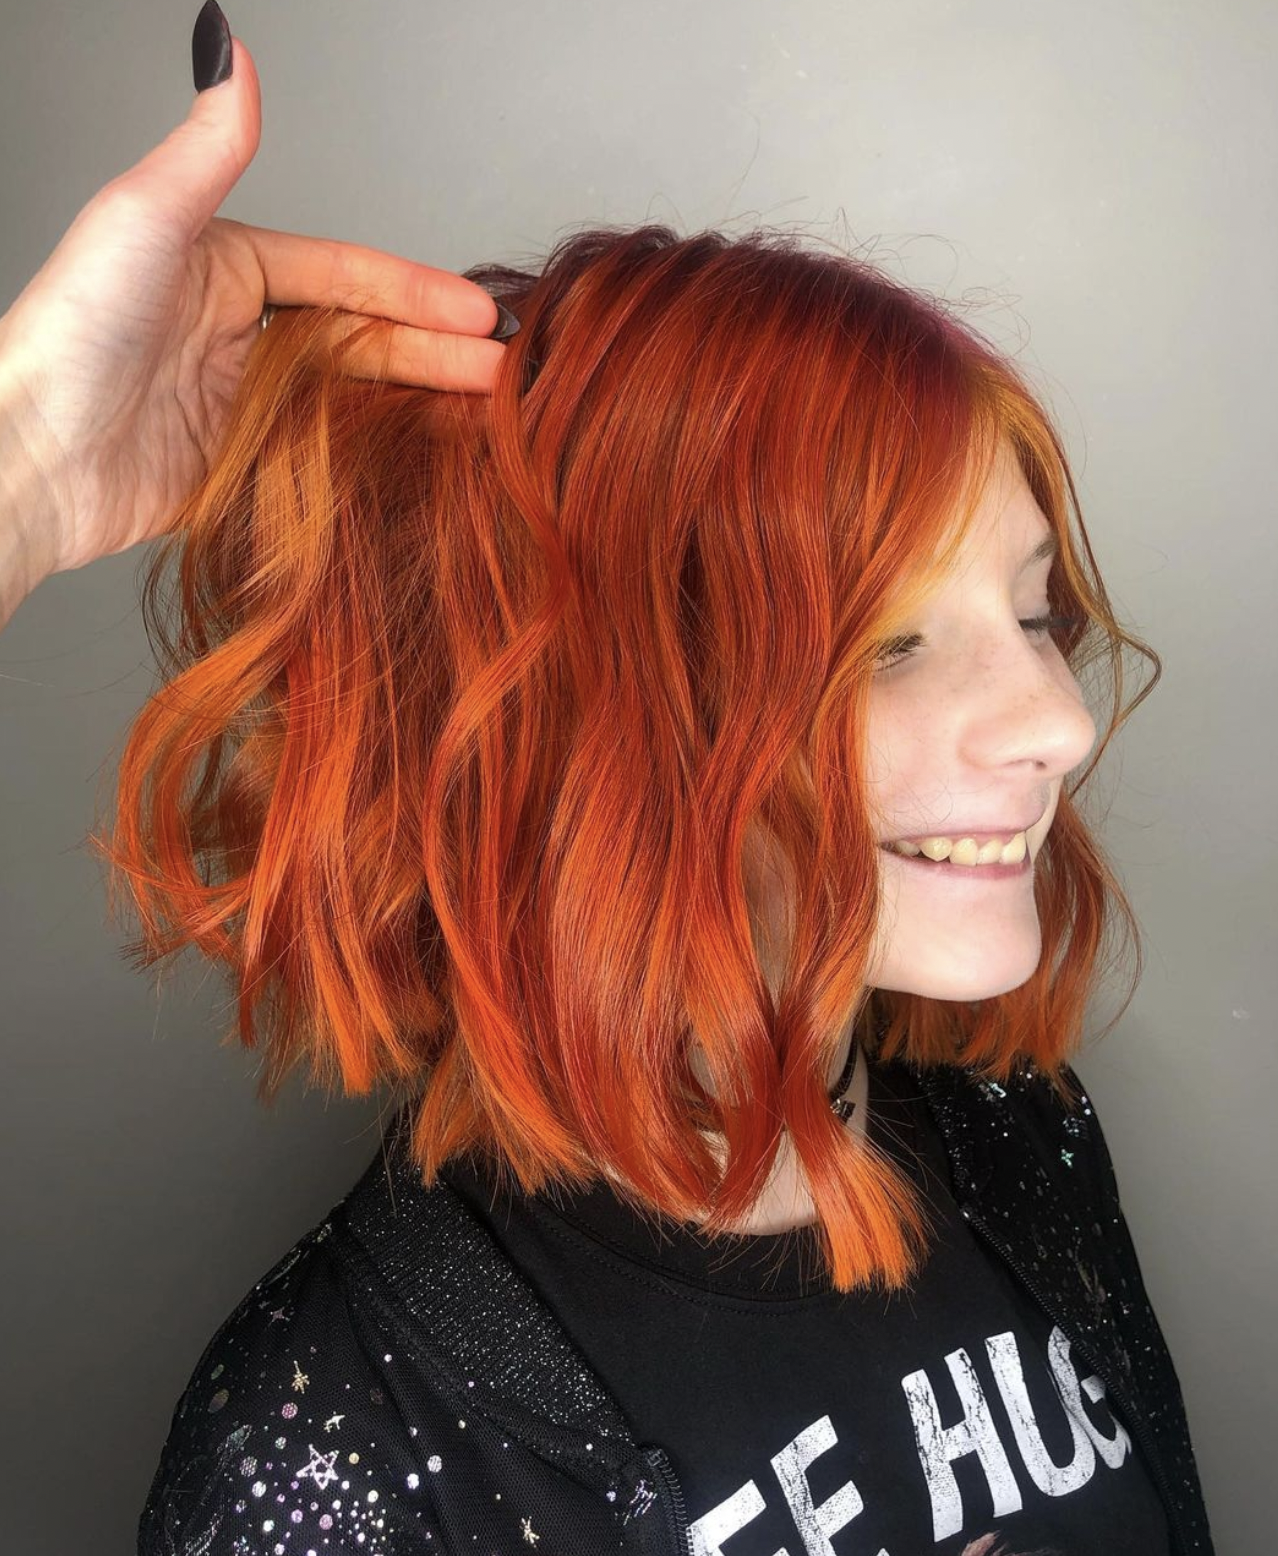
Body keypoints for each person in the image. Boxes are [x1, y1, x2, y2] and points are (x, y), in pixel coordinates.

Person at [0, 8, 1215, 1556]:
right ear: (576, 715)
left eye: (1033, 616)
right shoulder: (337, 1452)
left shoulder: (1018, 1140)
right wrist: (23, 462)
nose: (1055, 722)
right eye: (882, 643)